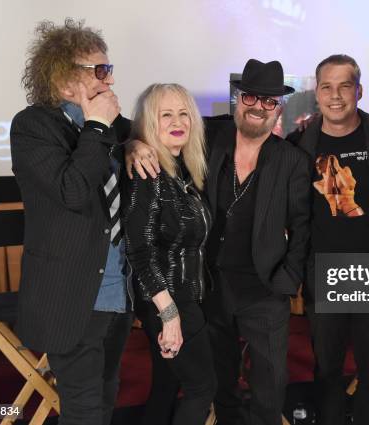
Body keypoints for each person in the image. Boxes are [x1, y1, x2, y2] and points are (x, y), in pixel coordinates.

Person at [127, 59, 311, 425]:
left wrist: (287, 278)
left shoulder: (292, 159)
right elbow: (150, 129)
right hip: (208, 285)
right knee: (219, 379)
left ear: (279, 108)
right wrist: (134, 143)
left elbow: (302, 227)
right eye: (251, 98)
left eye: (269, 101)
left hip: (264, 286)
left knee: (270, 381)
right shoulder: (207, 135)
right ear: (238, 100)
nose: (259, 107)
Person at [10, 19, 133, 425]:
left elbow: (144, 136)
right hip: (71, 296)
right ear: (65, 82)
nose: (109, 80)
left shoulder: (114, 128)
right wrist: (97, 126)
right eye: (98, 71)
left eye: (109, 68)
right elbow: (74, 192)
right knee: (83, 411)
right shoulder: (33, 126)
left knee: (107, 394)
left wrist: (137, 141)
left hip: (116, 292)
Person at [288, 54, 369, 425]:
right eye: (326, 86)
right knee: (328, 373)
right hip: (324, 275)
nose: (335, 95)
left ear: (359, 90)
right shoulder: (298, 144)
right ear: (317, 93)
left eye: (344, 86)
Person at [123, 83, 217, 425]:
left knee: (166, 384)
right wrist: (169, 314)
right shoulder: (147, 174)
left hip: (181, 297)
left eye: (183, 113)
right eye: (166, 115)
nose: (177, 121)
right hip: (169, 300)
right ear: (149, 123)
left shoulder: (182, 172)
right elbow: (140, 249)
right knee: (202, 388)